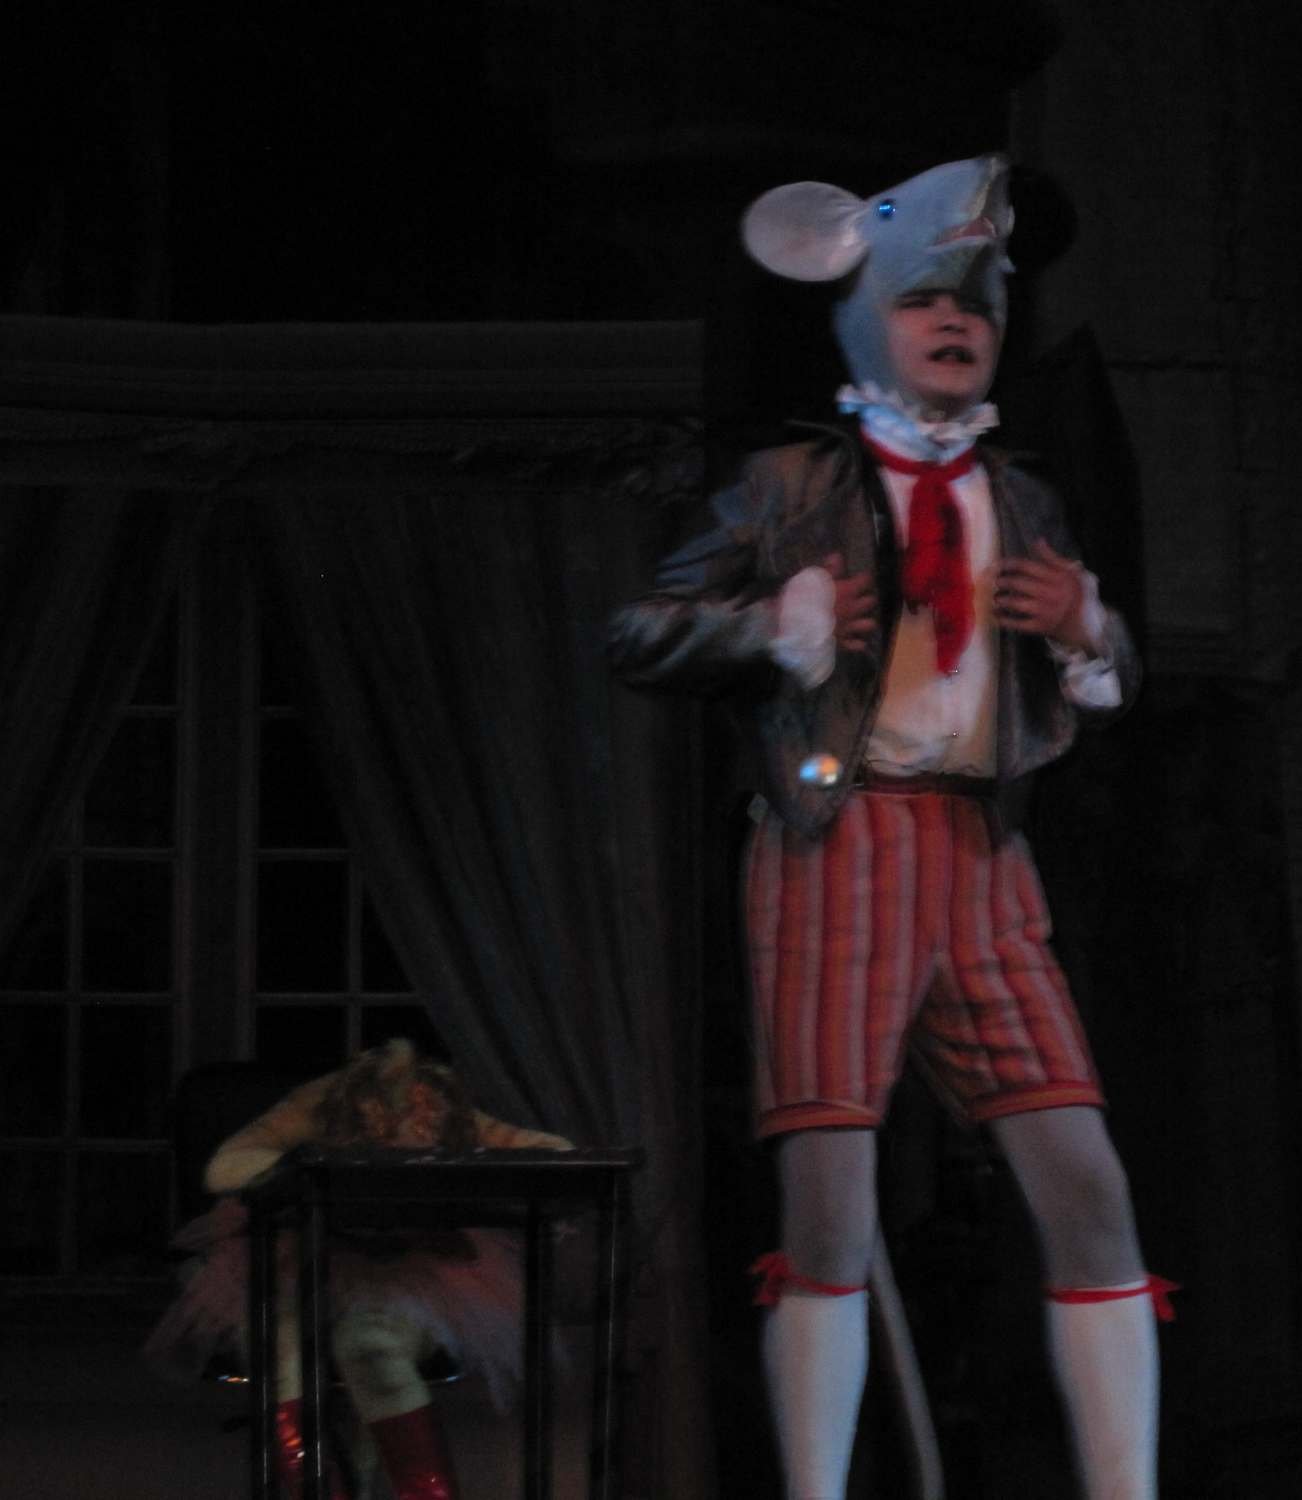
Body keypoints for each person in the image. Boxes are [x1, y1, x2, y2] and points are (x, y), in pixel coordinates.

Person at [608, 153, 1173, 1500]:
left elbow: (1101, 675)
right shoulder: (788, 484)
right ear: (866, 318)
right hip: (836, 846)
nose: (955, 322)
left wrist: (1087, 633)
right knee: (830, 1207)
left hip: (983, 856)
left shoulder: (1021, 496)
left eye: (977, 303)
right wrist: (773, 626)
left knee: (1088, 1186)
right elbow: (639, 630)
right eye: (924, 299)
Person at [145, 1039, 573, 1500]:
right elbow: (227, 1167)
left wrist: (452, 1180)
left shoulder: (437, 1101)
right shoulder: (322, 1102)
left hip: (412, 1268)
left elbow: (553, 1152)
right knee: (282, 1341)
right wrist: (316, 1173)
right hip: (302, 1259)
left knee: (370, 1344)